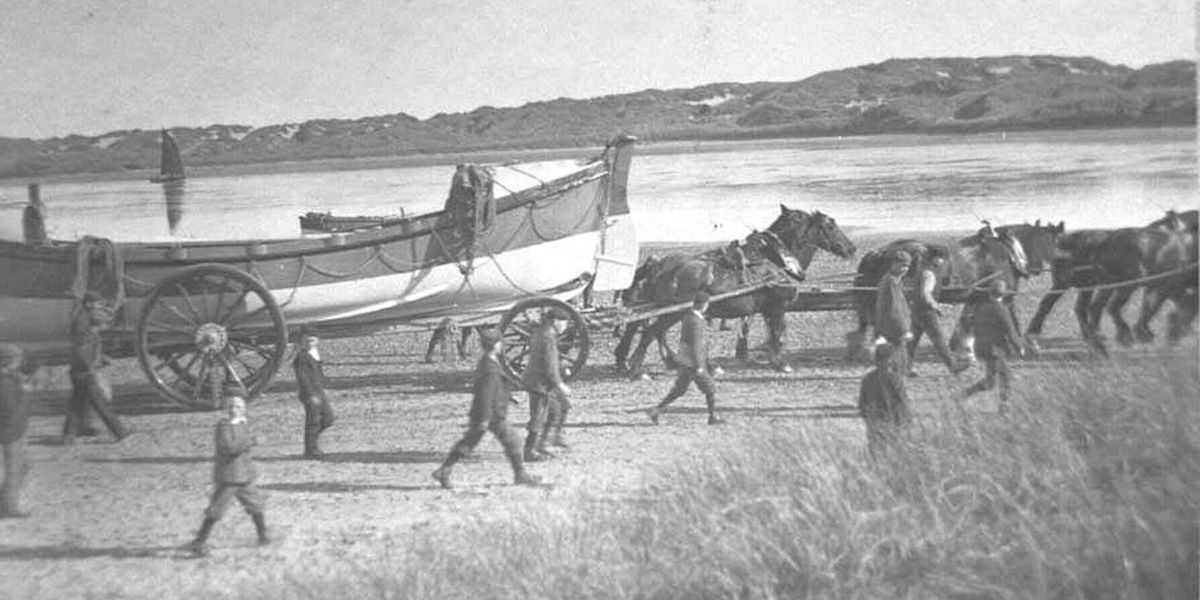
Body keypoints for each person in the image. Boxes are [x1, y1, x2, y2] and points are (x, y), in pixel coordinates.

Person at [431, 327, 540, 489]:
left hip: (485, 413)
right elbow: (485, 394)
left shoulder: (487, 362)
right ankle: (520, 475)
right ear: (496, 345)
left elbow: (492, 389)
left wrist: (505, 396)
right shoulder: (490, 367)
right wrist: (484, 418)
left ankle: (444, 470)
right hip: (491, 414)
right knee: (513, 442)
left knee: (470, 443)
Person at [187, 384, 270, 558]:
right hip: (229, 477)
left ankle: (263, 535)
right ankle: (199, 542)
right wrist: (252, 441)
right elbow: (229, 448)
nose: (234, 410)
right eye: (231, 406)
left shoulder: (242, 424)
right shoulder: (223, 427)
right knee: (216, 510)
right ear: (226, 407)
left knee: (255, 504)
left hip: (244, 475)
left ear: (244, 408)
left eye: (238, 406)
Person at [63, 291, 131, 445]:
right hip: (86, 373)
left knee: (77, 404)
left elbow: (84, 349)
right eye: (97, 304)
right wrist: (92, 368)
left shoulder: (84, 319)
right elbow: (83, 350)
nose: (100, 307)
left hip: (78, 371)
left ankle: (68, 436)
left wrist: (100, 358)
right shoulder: (85, 325)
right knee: (100, 403)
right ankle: (120, 431)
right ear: (89, 304)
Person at [647, 292, 723, 426]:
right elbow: (695, 345)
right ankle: (712, 417)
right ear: (704, 305)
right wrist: (700, 365)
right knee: (710, 388)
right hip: (693, 363)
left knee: (679, 390)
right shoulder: (696, 321)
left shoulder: (689, 316)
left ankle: (656, 410)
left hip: (684, 360)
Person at [962, 279, 1025, 413]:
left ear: (989, 293)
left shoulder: (981, 307)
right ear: (1003, 294)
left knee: (991, 381)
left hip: (981, 347)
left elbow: (972, 326)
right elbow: (1010, 330)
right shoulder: (1001, 310)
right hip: (996, 350)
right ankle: (1004, 404)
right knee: (1005, 375)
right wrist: (1019, 347)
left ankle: (965, 394)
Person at [522, 308, 572, 462]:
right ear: (555, 321)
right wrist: (559, 385)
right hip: (540, 383)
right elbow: (549, 365)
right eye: (564, 322)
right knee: (538, 416)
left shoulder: (542, 333)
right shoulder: (548, 337)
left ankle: (543, 444)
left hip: (538, 380)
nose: (565, 326)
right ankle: (529, 451)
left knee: (555, 410)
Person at [907, 247, 968, 375]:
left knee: (912, 342)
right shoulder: (929, 274)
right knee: (939, 340)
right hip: (926, 312)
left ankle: (904, 367)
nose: (943, 261)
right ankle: (953, 366)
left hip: (916, 310)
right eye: (941, 258)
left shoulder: (921, 271)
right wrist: (935, 306)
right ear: (935, 258)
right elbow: (926, 293)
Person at [857, 343, 912, 459]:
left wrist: (867, 420)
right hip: (892, 422)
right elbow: (902, 401)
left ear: (875, 360)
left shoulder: (867, 379)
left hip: (874, 423)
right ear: (891, 361)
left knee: (876, 453)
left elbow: (862, 403)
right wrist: (907, 419)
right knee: (896, 453)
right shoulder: (895, 378)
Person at [292, 328, 335, 459]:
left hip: (319, 391)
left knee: (328, 418)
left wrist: (324, 388)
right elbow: (302, 378)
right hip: (310, 393)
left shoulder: (315, 354)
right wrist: (311, 395)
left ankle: (312, 443)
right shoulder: (301, 357)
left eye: (312, 340)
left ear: (317, 341)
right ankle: (310, 450)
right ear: (302, 342)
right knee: (313, 421)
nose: (310, 343)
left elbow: (319, 375)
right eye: (307, 341)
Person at [0, 344, 32, 518]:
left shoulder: (8, 379)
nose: (19, 365)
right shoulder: (4, 384)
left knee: (25, 464)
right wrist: (25, 393)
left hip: (15, 429)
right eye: (17, 361)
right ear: (8, 362)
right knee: (14, 469)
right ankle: (8, 507)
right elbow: (11, 412)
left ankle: (4, 499)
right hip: (10, 431)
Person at [874, 250, 914, 374]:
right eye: (902, 265)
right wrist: (903, 327)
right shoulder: (891, 282)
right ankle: (900, 369)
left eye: (907, 266)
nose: (904, 269)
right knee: (898, 346)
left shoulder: (894, 280)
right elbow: (894, 306)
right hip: (892, 321)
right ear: (893, 264)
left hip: (888, 321)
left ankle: (901, 368)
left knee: (897, 347)